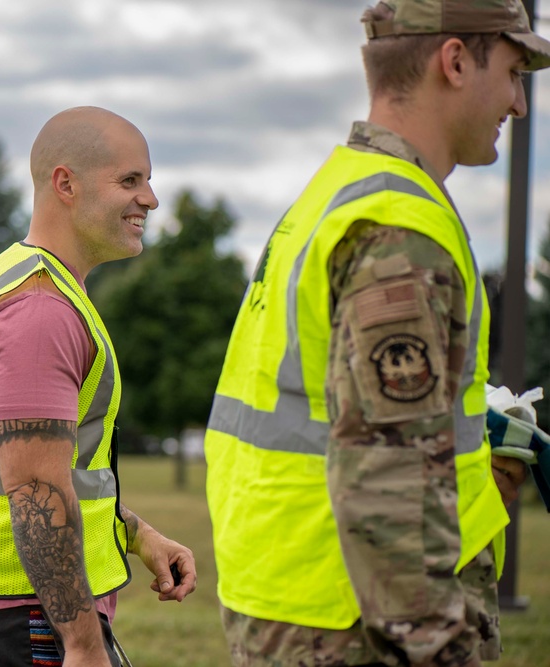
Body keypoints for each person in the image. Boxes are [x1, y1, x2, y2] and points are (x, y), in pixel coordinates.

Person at [203, 1, 550, 665]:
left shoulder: (331, 195)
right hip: (356, 625)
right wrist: (439, 647)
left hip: (296, 600)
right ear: (454, 62)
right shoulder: (399, 225)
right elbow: (386, 473)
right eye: (513, 71)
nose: (520, 101)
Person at [0, 107, 198, 667]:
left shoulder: (41, 289)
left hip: (15, 614)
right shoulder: (39, 311)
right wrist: (81, 645)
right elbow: (33, 490)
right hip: (22, 621)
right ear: (66, 184)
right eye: (130, 180)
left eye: (147, 180)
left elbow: (61, 475)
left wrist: (139, 537)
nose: (149, 198)